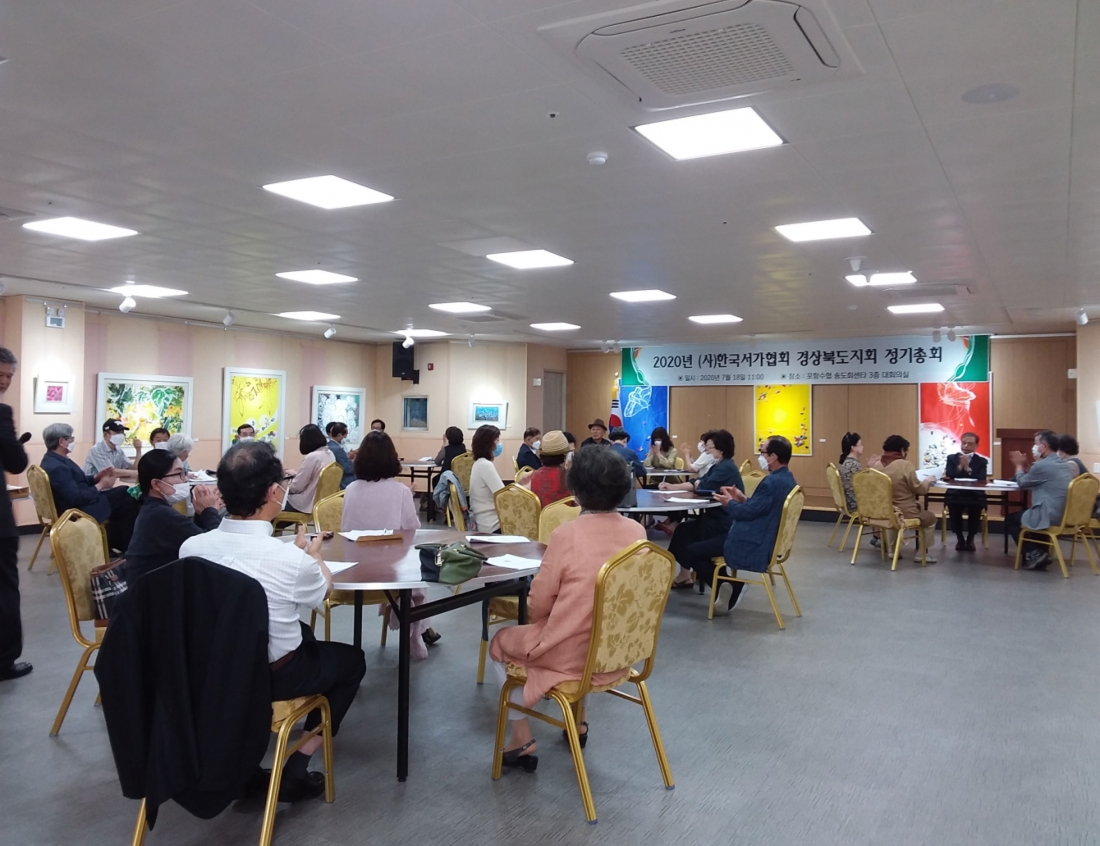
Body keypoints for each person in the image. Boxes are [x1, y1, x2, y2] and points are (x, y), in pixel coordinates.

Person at [180, 442, 366, 803]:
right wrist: (314, 557)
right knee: (352, 661)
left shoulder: (191, 549)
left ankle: (247, 768)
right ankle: (298, 763)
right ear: (272, 492)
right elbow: (323, 591)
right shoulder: (290, 561)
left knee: (303, 634)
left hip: (211, 672)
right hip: (275, 674)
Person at [488, 444, 645, 770]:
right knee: (590, 622)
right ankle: (579, 719)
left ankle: (521, 737)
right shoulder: (637, 532)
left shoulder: (566, 535)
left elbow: (538, 606)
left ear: (574, 488)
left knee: (501, 642)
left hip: (569, 655)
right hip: (618, 653)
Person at [342, 431, 439, 653]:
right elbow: (412, 528)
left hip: (354, 568)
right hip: (389, 572)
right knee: (417, 575)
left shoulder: (350, 490)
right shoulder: (400, 491)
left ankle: (419, 627)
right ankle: (418, 631)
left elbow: (346, 528)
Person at [708, 436, 799, 614]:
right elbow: (761, 509)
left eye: (763, 452)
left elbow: (745, 514)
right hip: (770, 540)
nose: (761, 456)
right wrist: (743, 499)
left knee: (693, 550)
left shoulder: (770, 483)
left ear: (773, 457)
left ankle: (732, 587)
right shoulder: (788, 479)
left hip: (753, 543)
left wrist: (728, 502)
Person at [660, 429, 744, 587]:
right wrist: (672, 487)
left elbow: (703, 485)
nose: (707, 450)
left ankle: (716, 582)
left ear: (721, 449)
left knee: (686, 535)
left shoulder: (725, 467)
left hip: (724, 521)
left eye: (710, 447)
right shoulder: (718, 465)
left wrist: (697, 484)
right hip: (716, 516)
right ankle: (685, 575)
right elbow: (697, 482)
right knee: (683, 530)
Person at [124, 450, 222, 583]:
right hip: (150, 592)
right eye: (179, 473)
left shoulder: (154, 508)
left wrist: (201, 512)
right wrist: (210, 511)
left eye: (185, 472)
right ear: (156, 484)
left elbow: (194, 538)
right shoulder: (160, 515)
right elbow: (213, 548)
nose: (185, 479)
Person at [42, 422, 140, 553]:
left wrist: (95, 477)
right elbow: (76, 497)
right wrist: (101, 485)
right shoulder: (58, 467)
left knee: (124, 498)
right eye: (71, 438)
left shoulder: (54, 460)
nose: (72, 441)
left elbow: (78, 480)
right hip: (77, 510)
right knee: (125, 495)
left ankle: (116, 544)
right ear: (61, 441)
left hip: (80, 502)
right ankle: (127, 547)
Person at [0, 347, 30, 682]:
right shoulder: (1, 412)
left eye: (9, 375)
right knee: (5, 590)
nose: (5, 382)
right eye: (1, 375)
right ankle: (4, 660)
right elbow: (16, 462)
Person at [1007, 430, 1076, 571]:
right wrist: (1027, 465)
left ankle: (1034, 553)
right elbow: (1038, 476)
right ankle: (1041, 555)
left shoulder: (1042, 465)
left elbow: (1023, 483)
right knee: (1029, 515)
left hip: (1047, 514)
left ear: (1044, 446)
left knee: (1011, 519)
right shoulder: (1063, 464)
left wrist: (1019, 466)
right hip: (1062, 514)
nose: (1034, 447)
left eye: (1036, 444)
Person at [869, 435, 938, 563]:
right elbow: (919, 489)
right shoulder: (905, 465)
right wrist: (927, 481)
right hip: (905, 512)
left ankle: (892, 551)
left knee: (892, 519)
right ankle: (921, 554)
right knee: (930, 518)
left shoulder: (876, 466)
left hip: (884, 511)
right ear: (902, 450)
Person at [944, 432, 988, 552]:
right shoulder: (952, 458)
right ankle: (959, 538)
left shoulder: (981, 461)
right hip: (956, 493)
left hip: (974, 493)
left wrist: (968, 469)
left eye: (970, 444)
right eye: (964, 443)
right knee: (953, 505)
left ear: (976, 445)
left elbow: (981, 478)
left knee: (975, 507)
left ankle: (971, 538)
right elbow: (950, 474)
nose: (966, 446)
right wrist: (960, 467)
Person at [284, 425, 334, 514]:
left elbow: (297, 487)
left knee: (273, 503)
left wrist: (284, 489)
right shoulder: (330, 454)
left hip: (307, 503)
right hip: (322, 501)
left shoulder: (312, 457)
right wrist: (296, 474)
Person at [468, 425, 505, 533]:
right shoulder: (485, 465)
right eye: (497, 440)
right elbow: (503, 495)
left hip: (483, 520)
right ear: (489, 444)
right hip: (492, 524)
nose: (499, 444)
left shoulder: (478, 463)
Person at [524, 431, 571, 506]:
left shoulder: (534, 475)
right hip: (565, 513)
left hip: (540, 513)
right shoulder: (568, 476)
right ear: (564, 456)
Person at [836, 432, 863, 512]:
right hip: (854, 503)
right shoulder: (854, 464)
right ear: (853, 447)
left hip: (847, 502)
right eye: (860, 445)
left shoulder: (846, 462)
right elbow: (862, 486)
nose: (862, 447)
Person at [325, 422, 355, 490]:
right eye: (345, 435)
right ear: (339, 435)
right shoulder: (337, 449)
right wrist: (355, 460)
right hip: (343, 481)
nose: (346, 437)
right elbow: (347, 469)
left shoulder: (328, 445)